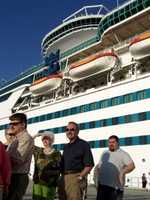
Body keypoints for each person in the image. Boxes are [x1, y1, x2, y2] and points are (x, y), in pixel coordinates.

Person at [59, 121, 94, 200]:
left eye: (72, 129)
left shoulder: (84, 145)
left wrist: (80, 177)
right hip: (64, 178)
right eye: (67, 130)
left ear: (77, 131)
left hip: (75, 178)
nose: (69, 131)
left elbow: (89, 165)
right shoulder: (66, 147)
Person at [96, 135, 135, 200]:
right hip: (102, 187)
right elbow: (99, 166)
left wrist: (122, 172)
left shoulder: (123, 154)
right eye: (109, 142)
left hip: (115, 188)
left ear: (117, 143)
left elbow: (132, 166)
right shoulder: (105, 153)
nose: (111, 144)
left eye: (113, 142)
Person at [6, 113, 34, 200]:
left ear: (23, 125)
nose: (11, 126)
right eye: (10, 124)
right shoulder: (16, 138)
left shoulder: (25, 138)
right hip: (13, 176)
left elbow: (18, 159)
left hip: (18, 177)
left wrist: (3, 157)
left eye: (15, 124)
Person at [32, 130, 61, 200]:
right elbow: (28, 143)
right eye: (43, 139)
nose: (45, 140)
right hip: (37, 183)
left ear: (52, 140)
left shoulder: (57, 153)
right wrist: (37, 135)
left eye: (47, 139)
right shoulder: (38, 151)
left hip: (50, 184)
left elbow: (58, 169)